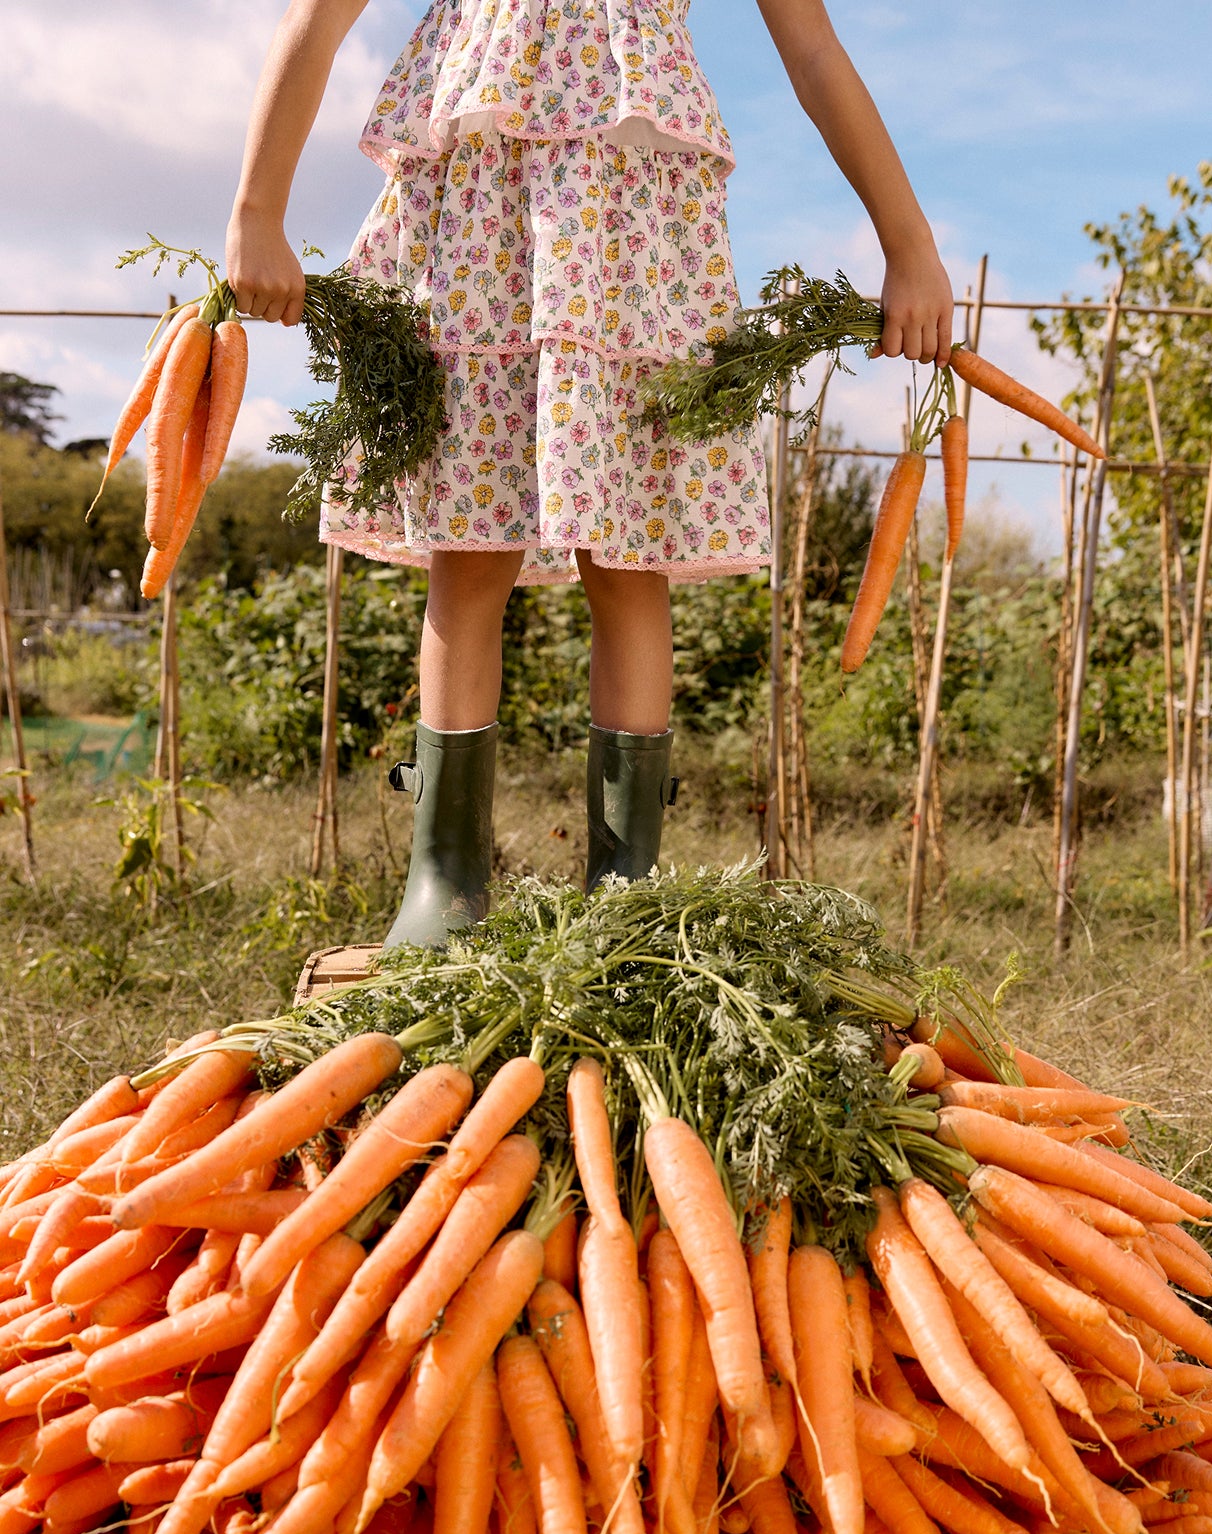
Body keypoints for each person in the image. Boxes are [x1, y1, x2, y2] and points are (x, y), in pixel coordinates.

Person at [227, 0, 954, 948]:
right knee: (469, 547)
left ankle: (626, 897)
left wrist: (910, 244)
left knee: (630, 555)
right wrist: (255, 209)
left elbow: (811, 45)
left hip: (636, 233)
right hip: (483, 217)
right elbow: (317, 16)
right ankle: (444, 887)